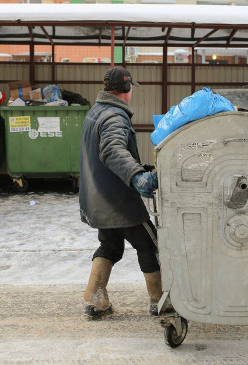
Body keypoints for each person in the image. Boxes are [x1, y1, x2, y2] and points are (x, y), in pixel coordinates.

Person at [79, 66, 162, 319]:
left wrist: (139, 167)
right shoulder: (115, 116)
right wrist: (137, 176)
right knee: (150, 245)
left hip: (97, 199)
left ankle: (95, 301)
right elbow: (112, 151)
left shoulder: (96, 111)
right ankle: (160, 302)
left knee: (110, 246)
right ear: (127, 89)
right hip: (119, 201)